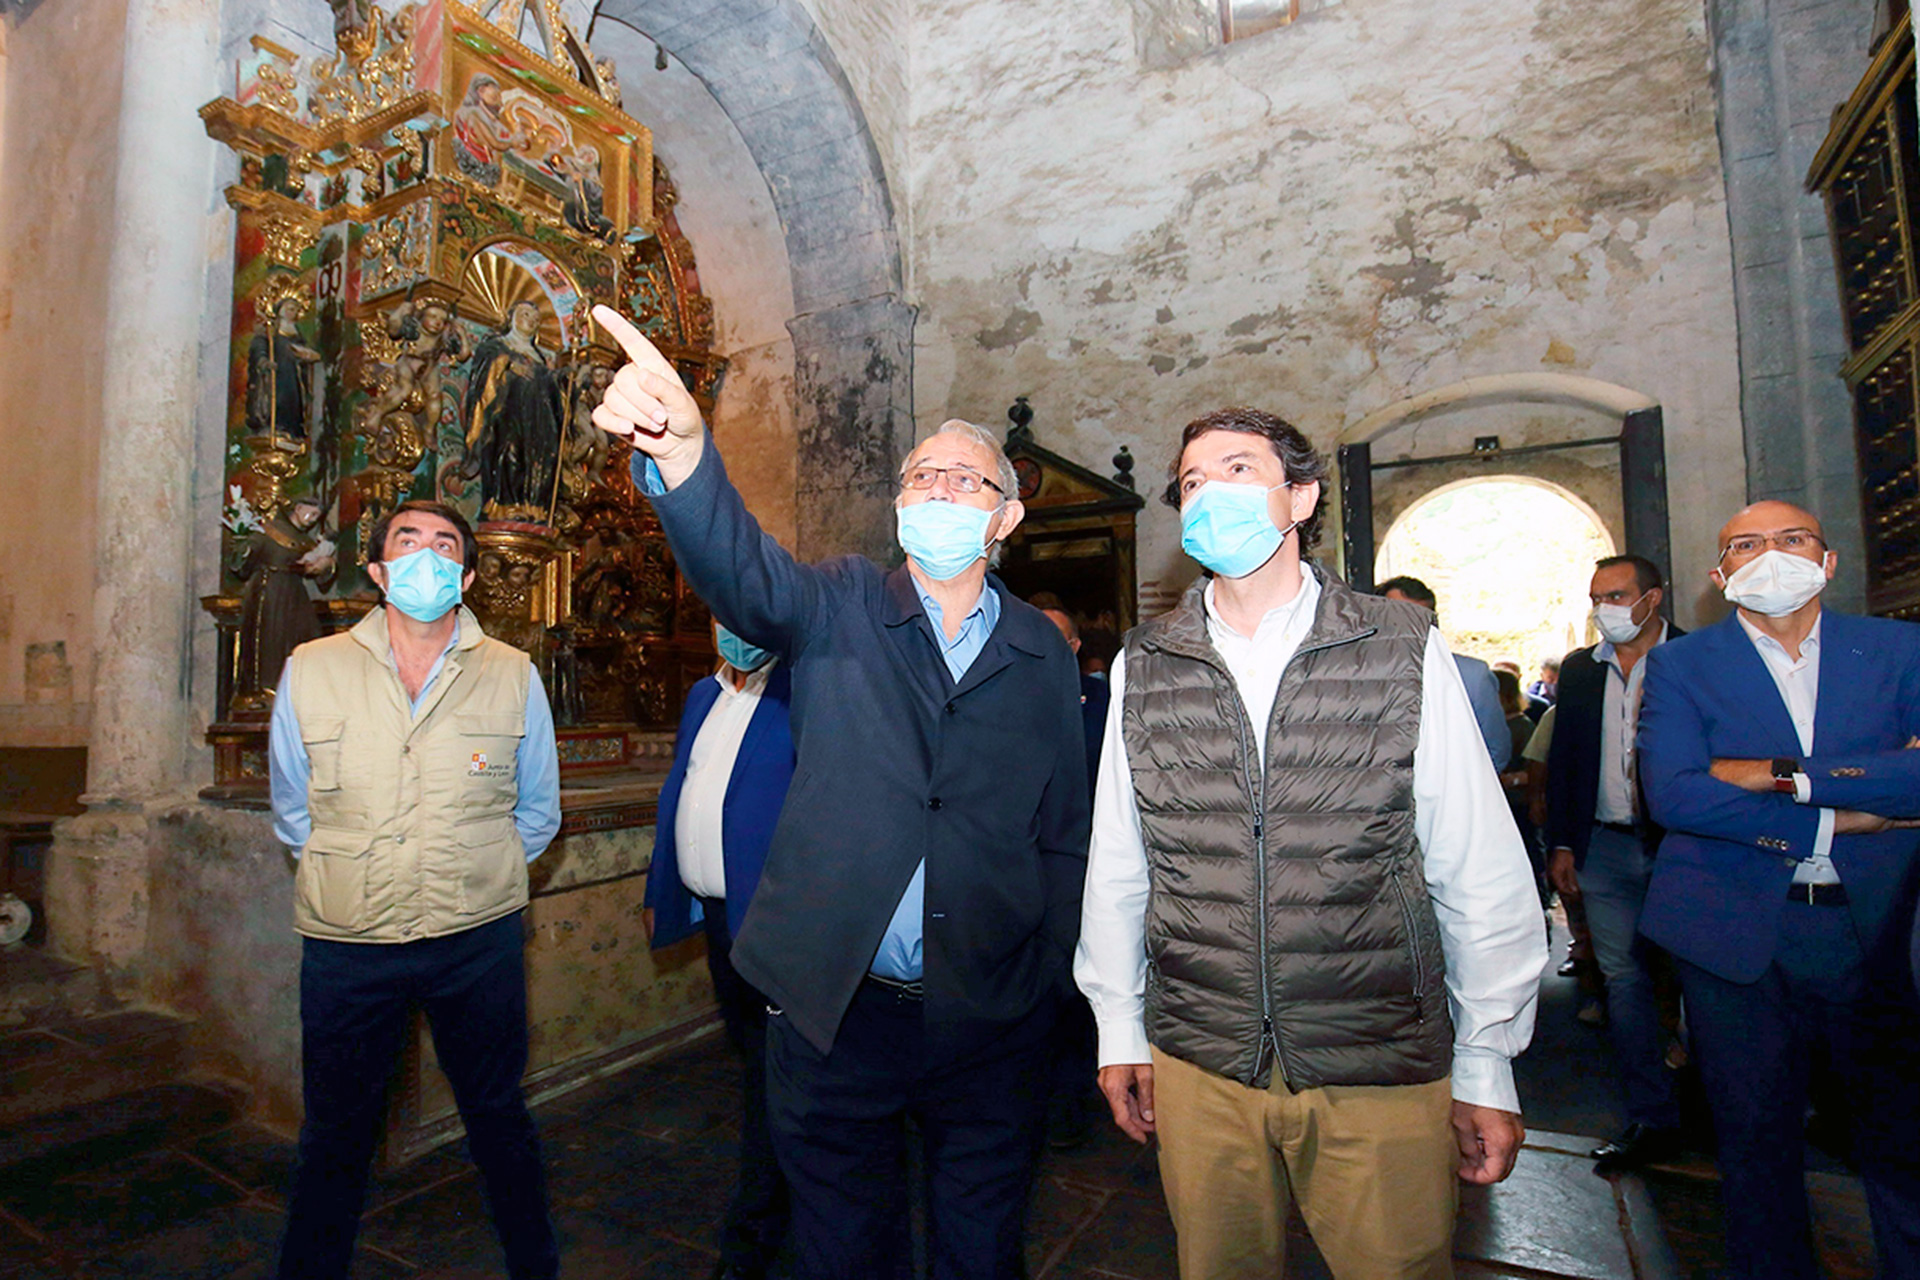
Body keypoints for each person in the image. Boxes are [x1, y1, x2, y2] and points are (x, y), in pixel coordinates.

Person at [589, 304, 1090, 1280]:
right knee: (841, 1250)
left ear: (1007, 516)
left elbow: (1063, 829)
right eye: (920, 475)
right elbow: (748, 580)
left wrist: (1050, 982)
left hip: (989, 1016)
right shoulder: (841, 601)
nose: (938, 488)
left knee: (981, 1250)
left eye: (964, 478)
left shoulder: (1038, 651)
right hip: (837, 1011)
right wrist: (688, 458)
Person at [1077, 407, 1547, 1280]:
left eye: (1237, 470)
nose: (1209, 492)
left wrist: (1487, 1060)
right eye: (1191, 482)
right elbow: (1121, 861)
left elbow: (1473, 864)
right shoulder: (1148, 662)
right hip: (1203, 1056)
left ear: (1300, 497)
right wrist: (1119, 1026)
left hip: (1373, 1058)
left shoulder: (1397, 647)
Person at [268, 499, 560, 1280]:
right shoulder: (312, 669)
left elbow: (536, 813)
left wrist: (474, 873)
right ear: (377, 569)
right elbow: (295, 812)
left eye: (444, 545)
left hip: (476, 940)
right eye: (408, 541)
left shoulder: (512, 673)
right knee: (335, 1132)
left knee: (497, 1115)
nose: (426, 557)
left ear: (465, 575)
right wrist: (361, 874)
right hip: (349, 943)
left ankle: (534, 1264)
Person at [1637, 500, 1920, 1279]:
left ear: (1828, 562)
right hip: (1737, 940)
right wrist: (1839, 820)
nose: (1773, 555)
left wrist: (1784, 777)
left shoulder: (1901, 649)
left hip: (1882, 930)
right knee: (1756, 1144)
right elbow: (1676, 794)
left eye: (1793, 540)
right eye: (1747, 545)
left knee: (1901, 1138)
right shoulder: (1682, 666)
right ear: (1719, 575)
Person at [647, 622, 796, 1280]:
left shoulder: (800, 693)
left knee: (777, 1079)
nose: (734, 629)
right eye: (721, 613)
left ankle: (757, 1234)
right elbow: (679, 793)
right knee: (753, 1067)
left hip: (776, 922)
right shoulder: (702, 697)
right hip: (717, 918)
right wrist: (661, 886)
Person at [1541, 554, 1685, 1172]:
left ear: (1654, 597)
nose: (1607, 610)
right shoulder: (1579, 671)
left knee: (1698, 982)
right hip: (1604, 848)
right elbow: (1569, 762)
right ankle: (1650, 1117)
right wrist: (1563, 845)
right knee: (1624, 984)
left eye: (1619, 595)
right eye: (1598, 597)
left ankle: (1723, 1112)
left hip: (1681, 850)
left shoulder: (1696, 659)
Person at [1376, 575, 1512, 770]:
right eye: (1398, 616)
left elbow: (1495, 749)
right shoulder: (1356, 675)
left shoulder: (1471, 677)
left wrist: (1462, 793)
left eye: (1419, 618)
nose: (1409, 627)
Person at [233, 495, 336, 717]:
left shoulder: (307, 541)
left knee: (305, 640)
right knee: (270, 638)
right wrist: (242, 544)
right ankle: (264, 691)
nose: (312, 519)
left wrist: (324, 565)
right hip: (269, 591)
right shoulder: (269, 531)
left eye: (317, 516)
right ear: (298, 508)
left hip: (295, 593)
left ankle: (298, 692)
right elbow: (242, 565)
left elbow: (321, 578)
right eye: (311, 513)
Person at [463, 299, 566, 517]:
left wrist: (563, 380)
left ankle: (535, 507)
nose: (531, 321)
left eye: (536, 319)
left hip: (539, 419)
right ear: (511, 317)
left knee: (543, 459)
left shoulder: (539, 357)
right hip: (508, 412)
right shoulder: (496, 346)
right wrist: (506, 364)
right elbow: (482, 378)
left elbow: (552, 392)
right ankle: (504, 505)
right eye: (526, 314)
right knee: (510, 453)